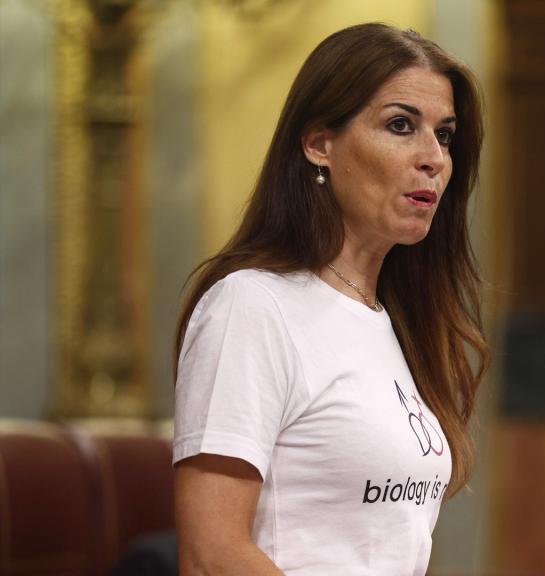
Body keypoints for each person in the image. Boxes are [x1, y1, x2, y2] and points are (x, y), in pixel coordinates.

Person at [172, 23, 489, 575]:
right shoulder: (251, 306)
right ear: (319, 143)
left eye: (444, 136)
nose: (433, 158)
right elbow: (212, 556)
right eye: (400, 125)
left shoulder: (396, 322)